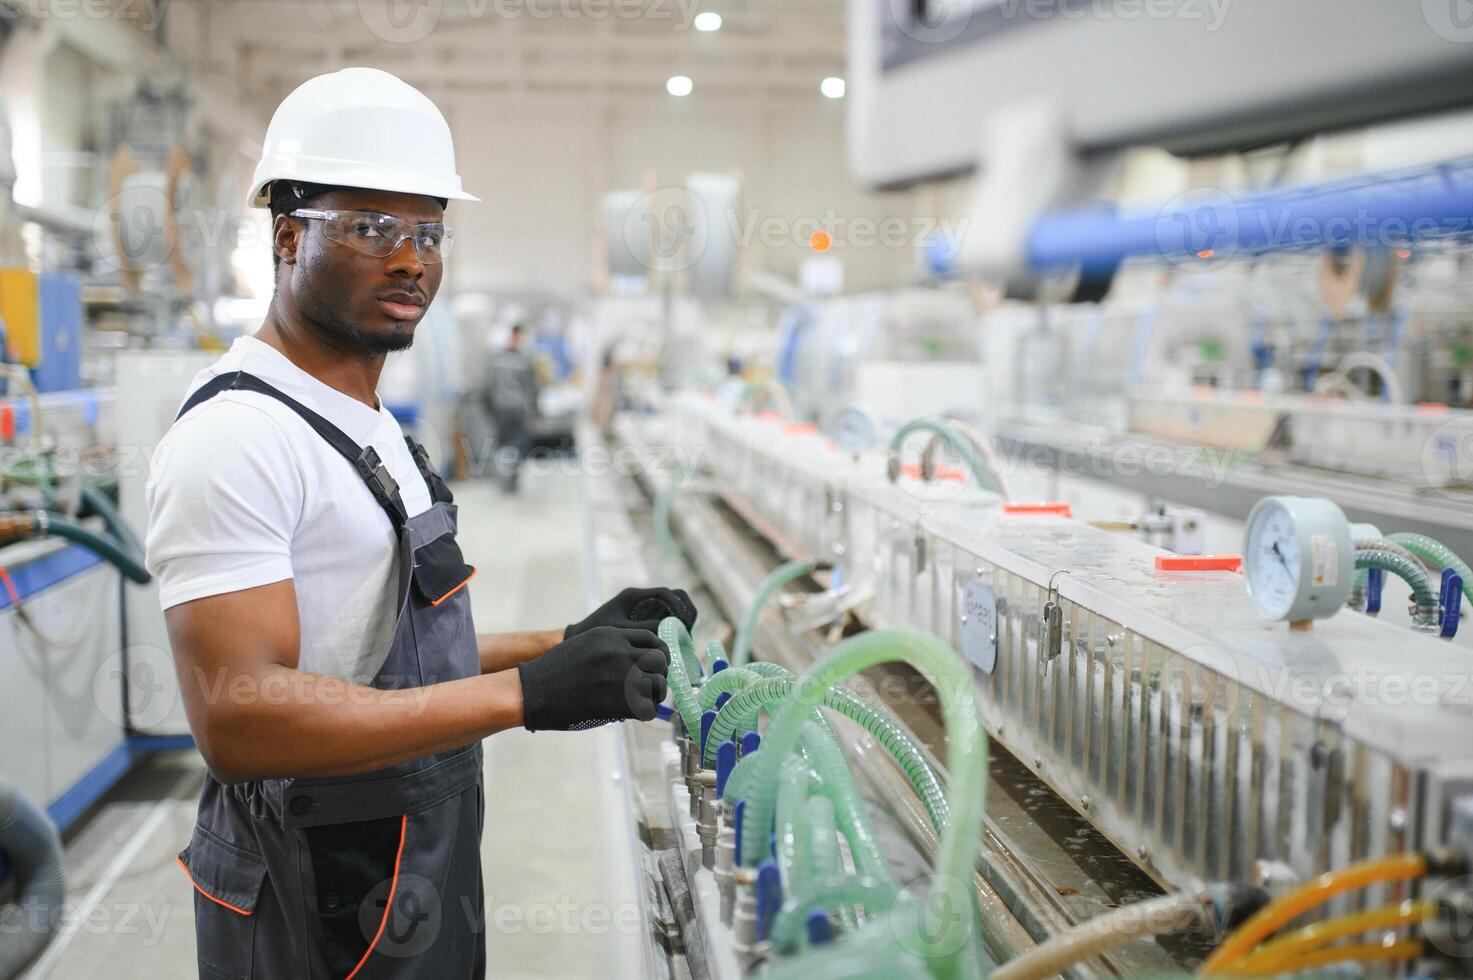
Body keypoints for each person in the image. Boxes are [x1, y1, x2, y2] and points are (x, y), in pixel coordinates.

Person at [145, 67, 693, 980]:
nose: (410, 259)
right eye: (369, 228)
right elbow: (241, 717)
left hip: (409, 857)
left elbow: (369, 653)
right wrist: (525, 698)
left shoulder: (369, 427)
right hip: (314, 884)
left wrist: (560, 646)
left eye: (428, 232)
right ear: (287, 238)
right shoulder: (237, 438)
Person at [482, 324, 539, 492]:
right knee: (516, 445)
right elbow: (532, 389)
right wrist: (534, 411)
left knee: (503, 445)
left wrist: (490, 409)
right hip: (516, 410)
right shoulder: (524, 360)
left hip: (502, 409)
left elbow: (488, 387)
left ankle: (506, 477)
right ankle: (511, 478)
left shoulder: (497, 360)